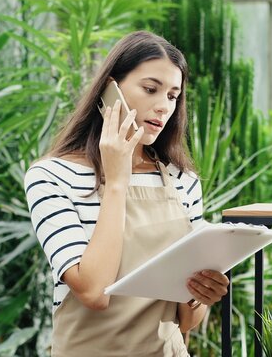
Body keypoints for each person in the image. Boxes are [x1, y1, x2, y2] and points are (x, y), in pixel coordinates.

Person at [23, 30, 230, 356]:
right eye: (151, 89)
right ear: (110, 88)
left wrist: (201, 293)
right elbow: (93, 293)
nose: (164, 107)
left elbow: (187, 321)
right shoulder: (51, 177)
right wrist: (117, 182)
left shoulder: (182, 179)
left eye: (174, 96)